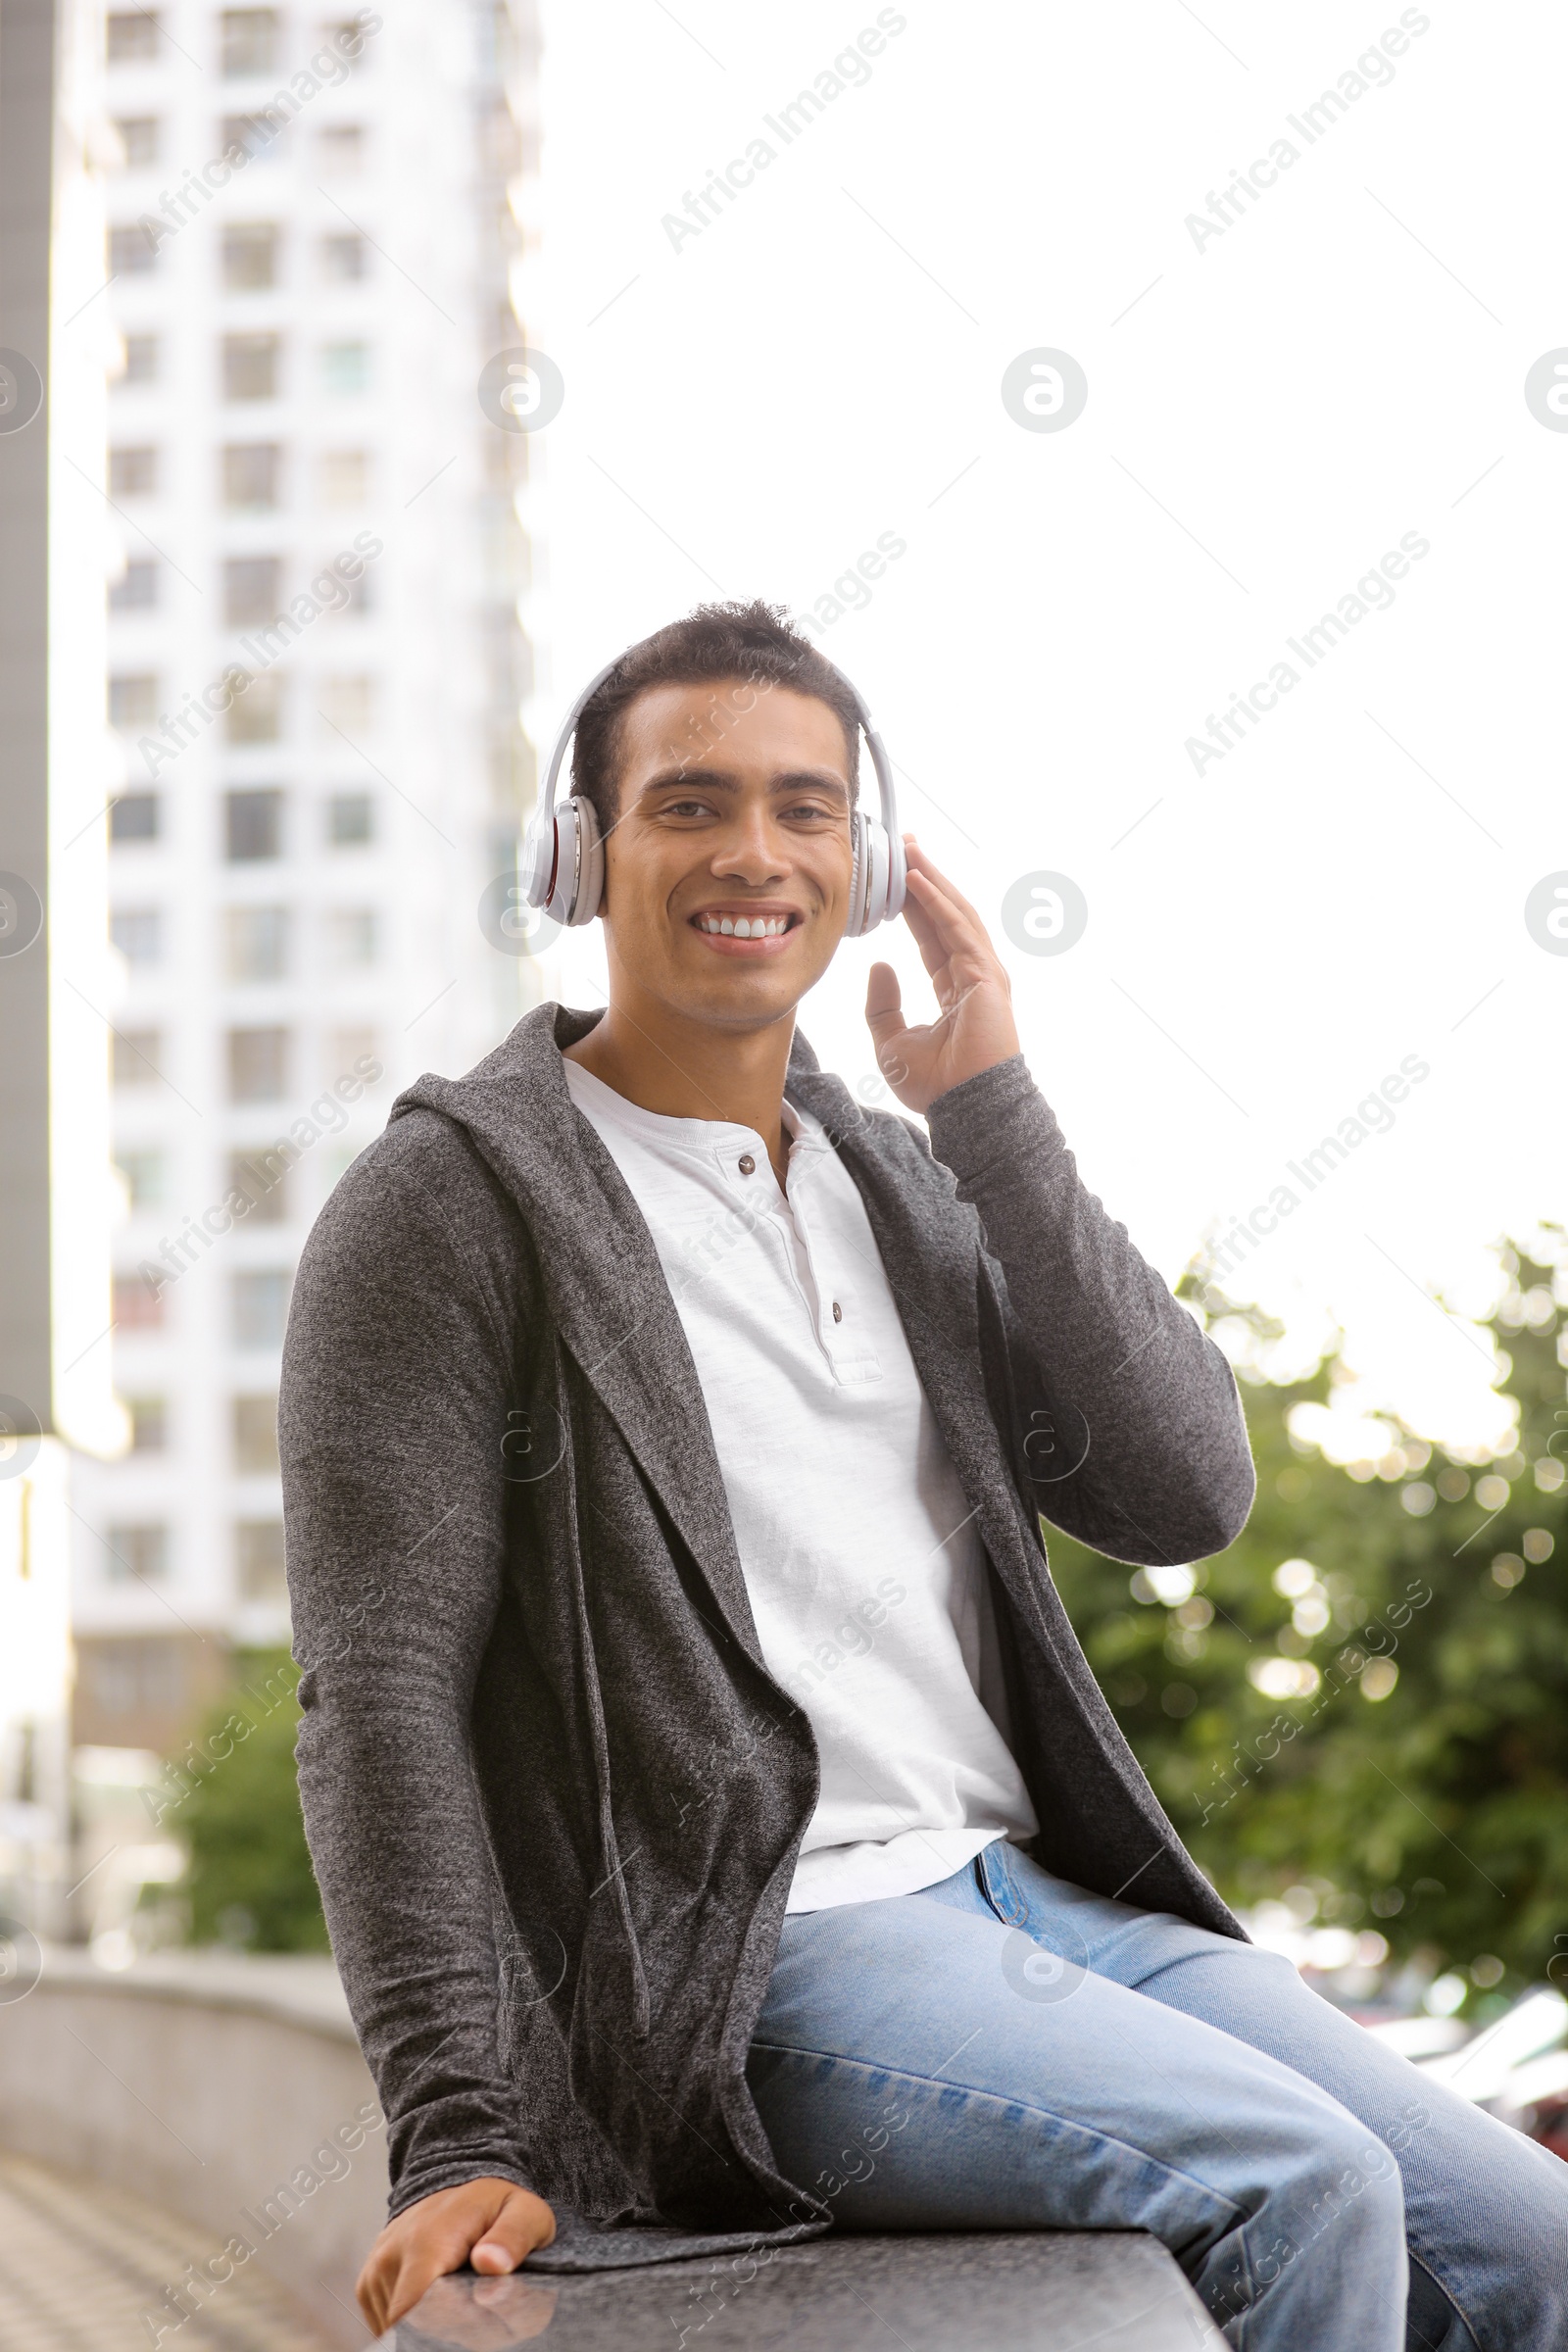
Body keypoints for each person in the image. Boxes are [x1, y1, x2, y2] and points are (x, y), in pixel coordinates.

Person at [280, 604, 1566, 2350]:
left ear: (868, 858)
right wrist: (450, 2130)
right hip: (765, 1957)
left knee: (1530, 2235)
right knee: (1299, 2185)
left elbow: (1184, 1497)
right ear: (580, 855)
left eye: (809, 808)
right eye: (690, 803)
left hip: (1038, 1901)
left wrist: (994, 1110)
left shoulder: (905, 1184)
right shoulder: (449, 1205)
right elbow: (379, 1693)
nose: (755, 852)